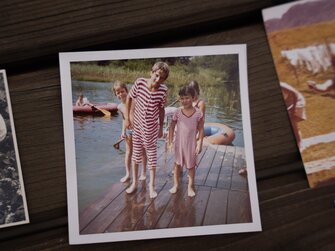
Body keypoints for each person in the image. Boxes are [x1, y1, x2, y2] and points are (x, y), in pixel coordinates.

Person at [124, 62, 169, 198]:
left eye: (161, 78)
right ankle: (134, 183)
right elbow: (129, 98)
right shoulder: (140, 83)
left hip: (151, 129)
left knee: (152, 157)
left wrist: (161, 126)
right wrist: (127, 118)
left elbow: (161, 109)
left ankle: (151, 186)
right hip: (137, 126)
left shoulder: (163, 90)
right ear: (151, 72)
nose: (157, 80)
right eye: (156, 76)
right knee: (135, 155)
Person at [168, 85, 204, 197]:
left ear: (193, 98)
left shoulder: (198, 113)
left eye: (187, 98)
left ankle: (190, 187)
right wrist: (170, 142)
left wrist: (200, 143)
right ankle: (176, 185)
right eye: (182, 98)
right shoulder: (177, 112)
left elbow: (201, 128)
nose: (184, 100)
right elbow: (171, 127)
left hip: (191, 145)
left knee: (191, 167)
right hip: (179, 144)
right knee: (177, 166)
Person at [113, 81, 147, 183]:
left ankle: (143, 172)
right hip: (129, 131)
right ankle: (128, 174)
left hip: (140, 130)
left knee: (142, 152)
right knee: (128, 152)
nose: (120, 94)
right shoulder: (119, 107)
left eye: (122, 91)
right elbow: (124, 119)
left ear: (126, 90)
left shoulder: (135, 101)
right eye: (118, 93)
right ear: (115, 94)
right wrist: (123, 131)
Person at [280, 82, 306, 150]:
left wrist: (293, 110)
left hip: (297, 100)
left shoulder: (281, 85)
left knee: (292, 122)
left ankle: (299, 144)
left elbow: (295, 94)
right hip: (288, 101)